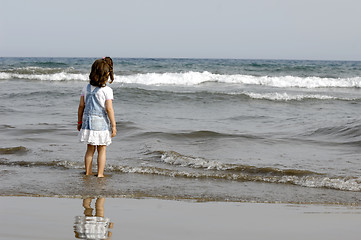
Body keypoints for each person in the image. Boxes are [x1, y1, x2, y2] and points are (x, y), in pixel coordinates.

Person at [77, 57, 117, 177]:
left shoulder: (86, 88)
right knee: (102, 149)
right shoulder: (107, 90)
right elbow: (109, 109)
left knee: (90, 149)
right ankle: (100, 174)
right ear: (107, 74)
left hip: (87, 123)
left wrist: (79, 121)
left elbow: (81, 106)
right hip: (100, 123)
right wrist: (114, 125)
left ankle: (88, 172)